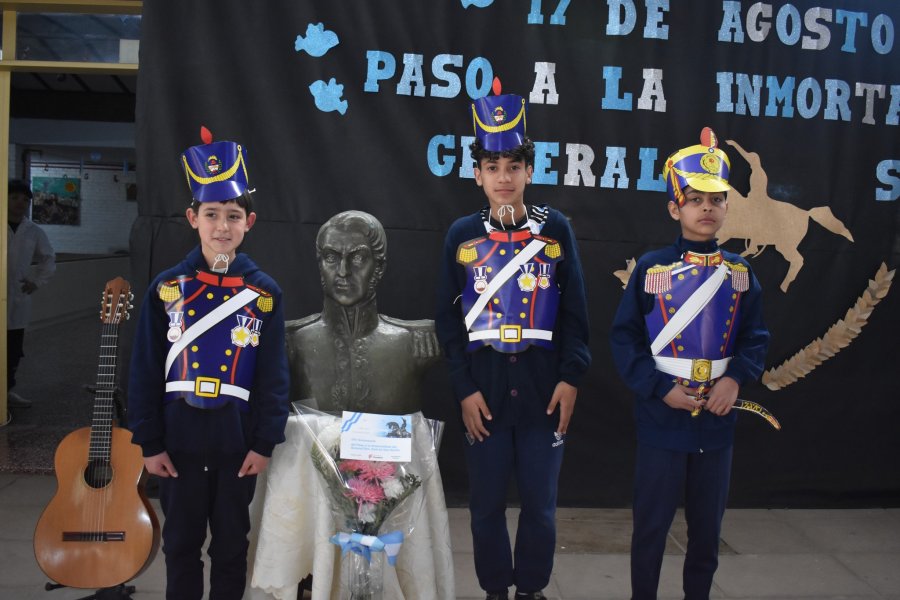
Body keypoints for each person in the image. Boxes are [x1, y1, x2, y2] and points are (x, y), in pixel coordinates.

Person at [435, 92, 591, 600]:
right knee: (484, 507)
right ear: (477, 174)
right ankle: (495, 590)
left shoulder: (555, 229)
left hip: (544, 389)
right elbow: (447, 320)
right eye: (492, 165)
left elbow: (576, 314)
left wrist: (571, 378)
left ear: (529, 170)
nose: (504, 176)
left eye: (514, 165)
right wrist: (462, 388)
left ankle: (531, 590)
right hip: (484, 391)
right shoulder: (461, 234)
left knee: (541, 505)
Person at [127, 129, 290, 600]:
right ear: (192, 218)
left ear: (249, 221)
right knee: (179, 545)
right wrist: (148, 440)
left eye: (233, 216)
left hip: (236, 441)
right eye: (212, 215)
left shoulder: (264, 293)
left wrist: (264, 441)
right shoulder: (165, 288)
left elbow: (273, 376)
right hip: (176, 439)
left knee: (232, 546)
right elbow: (144, 369)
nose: (222, 227)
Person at [610, 127, 770, 600]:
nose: (706, 208)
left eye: (716, 199)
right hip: (662, 415)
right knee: (651, 529)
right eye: (696, 199)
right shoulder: (652, 268)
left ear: (727, 207)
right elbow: (626, 338)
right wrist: (659, 388)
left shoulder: (741, 273)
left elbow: (755, 336)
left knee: (706, 533)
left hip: (716, 420)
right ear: (674, 208)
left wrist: (735, 380)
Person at [286, 210, 441, 414]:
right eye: (331, 257)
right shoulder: (291, 341)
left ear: (379, 266)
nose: (343, 271)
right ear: (320, 264)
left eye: (358, 258)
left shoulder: (417, 341)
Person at [6, 179, 56, 408]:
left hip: (17, 296)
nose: (20, 203)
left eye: (25, 200)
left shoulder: (33, 231)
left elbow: (48, 259)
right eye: (14, 198)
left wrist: (36, 282)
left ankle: (7, 390)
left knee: (13, 349)